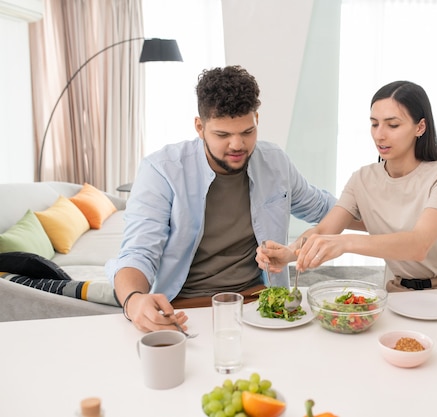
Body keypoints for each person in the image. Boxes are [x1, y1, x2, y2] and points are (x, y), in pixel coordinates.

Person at [105, 65, 337, 332]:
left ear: (257, 120)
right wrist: (134, 301)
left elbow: (326, 208)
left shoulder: (275, 162)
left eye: (247, 132)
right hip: (185, 306)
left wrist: (385, 214)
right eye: (223, 135)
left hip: (261, 300)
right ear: (200, 127)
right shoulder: (162, 170)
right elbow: (138, 253)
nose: (237, 145)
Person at [257, 80, 437, 291]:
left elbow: (418, 245)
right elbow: (324, 229)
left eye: (393, 125)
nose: (379, 135)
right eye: (375, 124)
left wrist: (346, 243)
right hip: (399, 292)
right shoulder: (362, 179)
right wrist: (289, 253)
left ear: (420, 127)